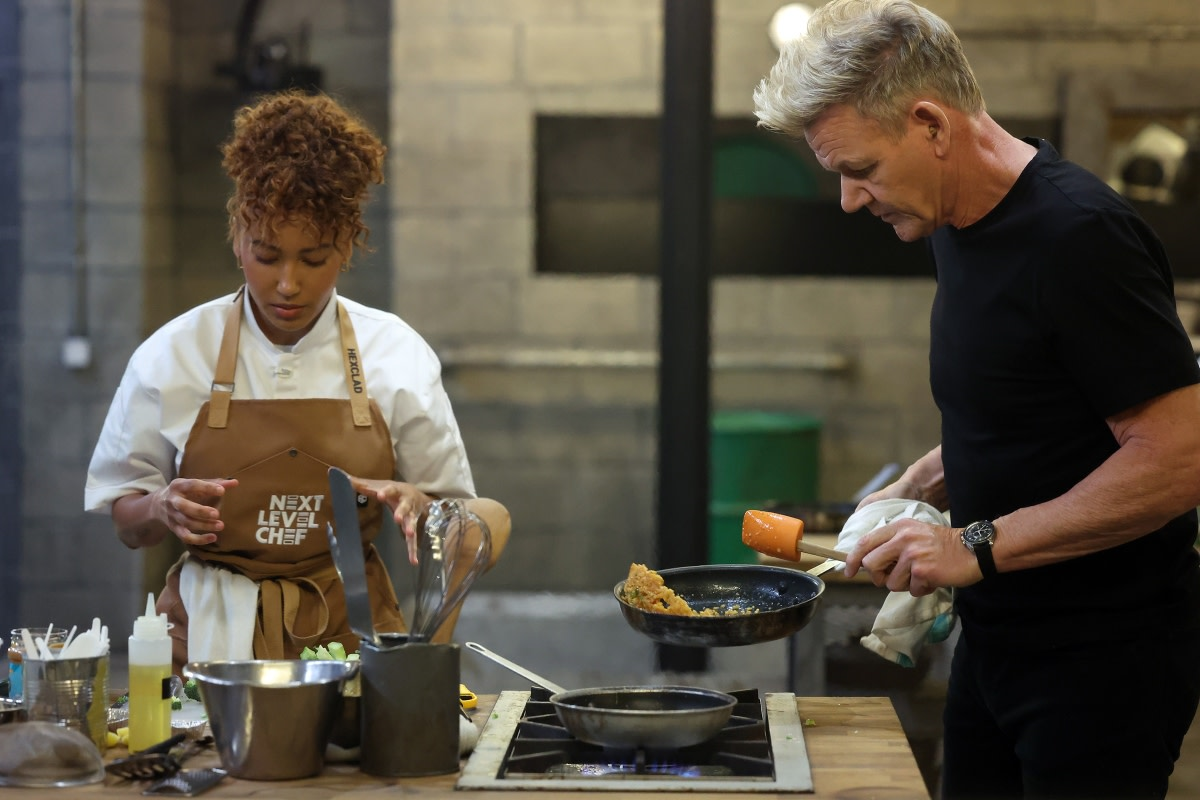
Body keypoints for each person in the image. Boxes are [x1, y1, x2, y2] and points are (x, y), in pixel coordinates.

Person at [754, 1, 1200, 798]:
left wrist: (978, 543)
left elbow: (1179, 458)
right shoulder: (954, 223)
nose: (851, 200)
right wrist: (913, 487)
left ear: (931, 125)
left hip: (1102, 657)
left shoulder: (1080, 237)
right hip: (995, 638)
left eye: (861, 169)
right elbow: (1025, 407)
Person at [85, 89, 509, 673]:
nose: (288, 284)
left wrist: (420, 503)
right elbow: (127, 523)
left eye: (314, 259)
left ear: (347, 246)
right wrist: (160, 507)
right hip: (206, 640)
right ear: (238, 238)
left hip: (352, 639)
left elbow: (456, 520)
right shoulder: (174, 353)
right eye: (266, 255)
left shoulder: (396, 355)